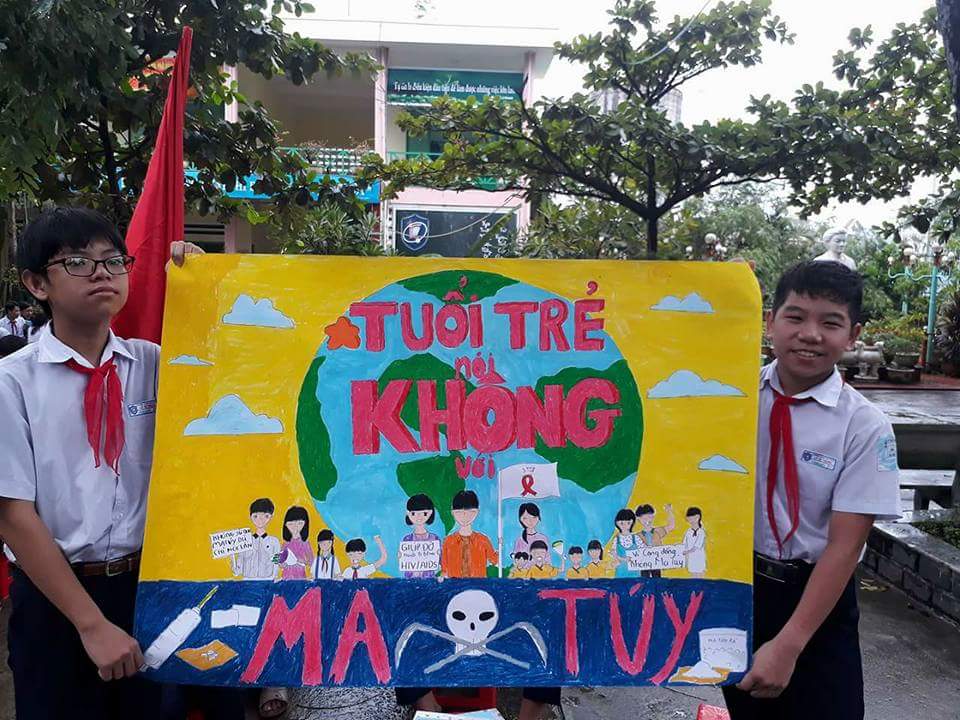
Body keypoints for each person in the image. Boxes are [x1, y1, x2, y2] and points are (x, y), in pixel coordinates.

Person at [0, 207, 203, 719]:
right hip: (54, 598)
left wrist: (203, 285)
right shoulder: (12, 382)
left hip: (143, 589)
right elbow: (13, 515)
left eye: (114, 261)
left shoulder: (154, 363)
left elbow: (227, 376)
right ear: (36, 284)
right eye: (77, 262)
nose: (101, 274)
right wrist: (90, 624)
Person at [722, 261, 900, 720]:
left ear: (853, 335)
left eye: (830, 323)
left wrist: (789, 644)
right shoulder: (729, 398)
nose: (810, 334)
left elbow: (845, 546)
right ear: (770, 322)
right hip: (739, 588)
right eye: (796, 317)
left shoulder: (863, 426)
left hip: (817, 599)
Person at [400, 488, 560, 718]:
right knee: (404, 634)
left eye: (469, 511)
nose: (464, 515)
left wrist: (502, 550)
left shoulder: (483, 540)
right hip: (451, 600)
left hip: (486, 599)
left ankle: (529, 714)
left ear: (476, 513)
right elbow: (443, 569)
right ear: (453, 513)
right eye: (460, 511)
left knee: (546, 638)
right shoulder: (447, 542)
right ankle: (428, 707)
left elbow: (496, 560)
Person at [230, 498, 281, 581]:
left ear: (271, 517)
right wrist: (232, 560)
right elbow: (238, 570)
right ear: (251, 517)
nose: (260, 519)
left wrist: (273, 578)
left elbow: (276, 564)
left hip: (267, 581)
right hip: (247, 581)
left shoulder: (274, 542)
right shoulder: (245, 540)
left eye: (266, 516)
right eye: (256, 516)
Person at [400, 493, 441, 579]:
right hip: (411, 581)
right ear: (408, 514)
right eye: (414, 513)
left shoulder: (434, 539)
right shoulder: (407, 539)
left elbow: (440, 562)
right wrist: (401, 557)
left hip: (429, 581)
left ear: (430, 513)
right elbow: (406, 565)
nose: (419, 517)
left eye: (424, 513)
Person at [636, 502, 675, 578]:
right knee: (644, 580)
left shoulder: (658, 531)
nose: (647, 520)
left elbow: (671, 526)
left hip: (656, 561)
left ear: (653, 517)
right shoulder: (638, 535)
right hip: (644, 563)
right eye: (644, 518)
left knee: (657, 580)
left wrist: (669, 511)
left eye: (650, 517)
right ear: (638, 519)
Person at [277, 505, 313, 580]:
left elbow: (311, 561)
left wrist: (303, 561)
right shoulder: (286, 543)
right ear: (286, 525)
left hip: (300, 577)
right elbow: (279, 561)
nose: (295, 527)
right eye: (291, 524)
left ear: (305, 524)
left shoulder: (305, 543)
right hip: (286, 577)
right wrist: (282, 564)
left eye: (299, 523)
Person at [511, 502, 551, 566]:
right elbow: (516, 560)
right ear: (520, 519)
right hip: (524, 571)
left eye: (534, 517)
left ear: (538, 518)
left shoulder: (543, 538)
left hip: (540, 571)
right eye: (525, 518)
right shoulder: (520, 540)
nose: (530, 521)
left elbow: (547, 559)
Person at [682, 507, 707, 578]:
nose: (689, 520)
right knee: (693, 576)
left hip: (699, 558)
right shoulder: (688, 531)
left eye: (691, 518)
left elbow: (697, 546)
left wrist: (687, 551)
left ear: (698, 517)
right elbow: (684, 543)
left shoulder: (701, 532)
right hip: (691, 559)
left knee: (700, 576)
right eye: (688, 518)